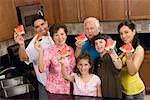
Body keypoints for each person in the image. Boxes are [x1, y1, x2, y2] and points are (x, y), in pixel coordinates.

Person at [14, 14, 54, 99]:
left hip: (60, 84)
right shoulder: (34, 44)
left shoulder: (54, 35)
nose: (41, 28)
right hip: (46, 86)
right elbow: (23, 58)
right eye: (37, 27)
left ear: (46, 23)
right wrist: (21, 45)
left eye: (42, 24)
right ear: (34, 29)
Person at [35, 23, 76, 94]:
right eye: (56, 35)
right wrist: (40, 52)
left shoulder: (70, 50)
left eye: (62, 34)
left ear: (66, 35)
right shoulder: (49, 52)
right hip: (55, 90)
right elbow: (41, 69)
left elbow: (73, 69)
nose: (60, 38)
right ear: (52, 38)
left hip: (71, 88)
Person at [117, 20, 145, 100]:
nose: (123, 36)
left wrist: (129, 59)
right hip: (123, 90)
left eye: (126, 32)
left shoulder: (139, 50)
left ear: (133, 32)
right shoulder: (123, 49)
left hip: (134, 92)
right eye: (121, 33)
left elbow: (132, 72)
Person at [94, 34, 122, 98]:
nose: (98, 45)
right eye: (96, 43)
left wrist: (112, 53)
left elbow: (119, 66)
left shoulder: (111, 56)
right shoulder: (97, 60)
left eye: (101, 42)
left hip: (113, 94)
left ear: (106, 44)